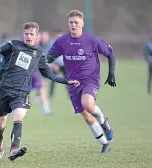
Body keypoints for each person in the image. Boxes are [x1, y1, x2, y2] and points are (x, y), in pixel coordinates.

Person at [0, 22, 79, 161]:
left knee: (18, 117)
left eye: (32, 34)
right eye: (26, 34)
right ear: (23, 35)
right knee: (1, 124)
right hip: (3, 90)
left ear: (37, 36)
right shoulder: (13, 45)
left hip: (21, 92)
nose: (29, 36)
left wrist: (67, 81)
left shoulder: (39, 54)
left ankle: (14, 149)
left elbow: (49, 74)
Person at [47, 10, 116, 154]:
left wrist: (111, 74)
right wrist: (41, 62)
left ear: (82, 24)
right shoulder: (62, 41)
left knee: (88, 104)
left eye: (76, 22)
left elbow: (110, 53)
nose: (73, 25)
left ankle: (104, 123)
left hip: (90, 79)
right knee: (85, 115)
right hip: (72, 82)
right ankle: (104, 144)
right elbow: (50, 57)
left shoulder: (92, 40)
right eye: (71, 22)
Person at [48, 29, 66, 99]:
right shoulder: (52, 44)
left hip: (64, 65)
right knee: (53, 80)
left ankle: (70, 93)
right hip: (56, 65)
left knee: (67, 80)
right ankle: (51, 94)